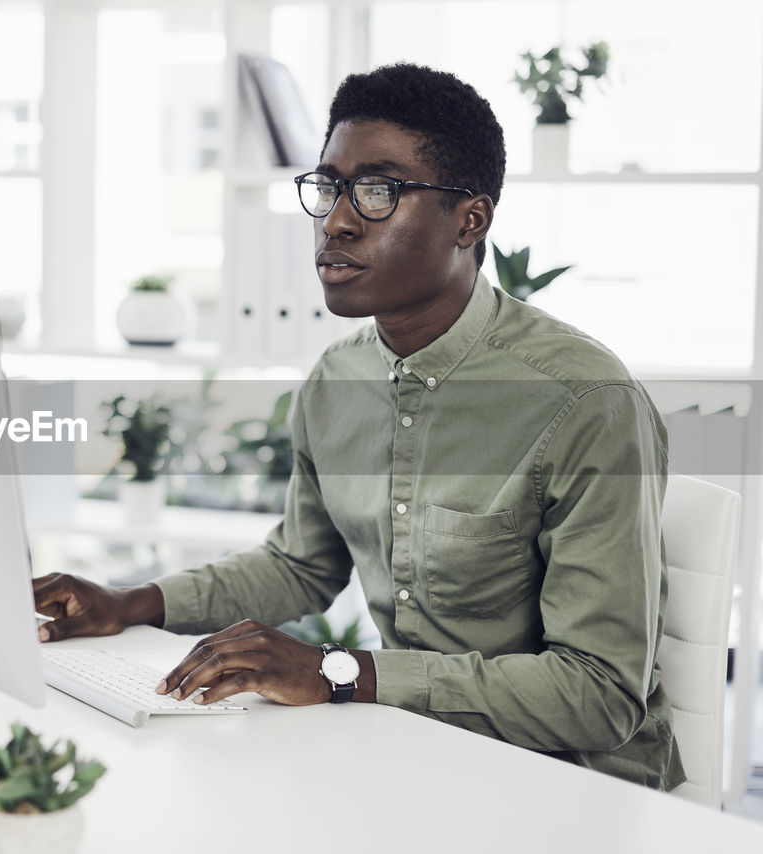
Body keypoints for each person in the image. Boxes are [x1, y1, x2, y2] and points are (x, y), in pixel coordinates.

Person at [33, 62, 682, 790]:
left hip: (577, 786)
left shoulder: (583, 399)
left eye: (378, 190)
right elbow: (302, 566)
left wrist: (342, 671)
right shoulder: (337, 382)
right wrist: (129, 603)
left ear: (471, 219)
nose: (338, 219)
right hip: (411, 751)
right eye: (330, 186)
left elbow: (599, 695)